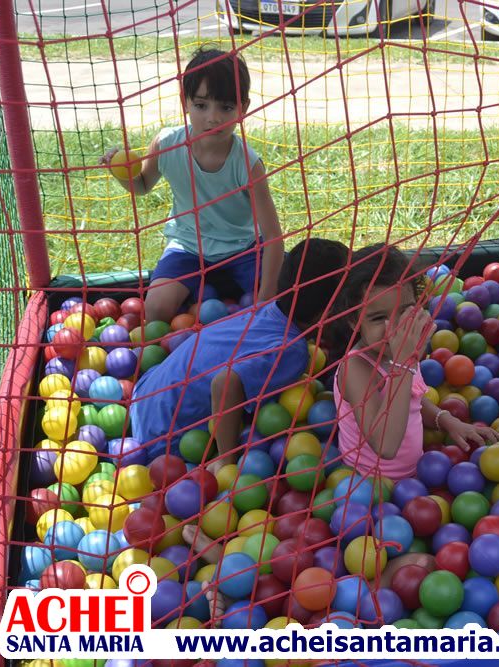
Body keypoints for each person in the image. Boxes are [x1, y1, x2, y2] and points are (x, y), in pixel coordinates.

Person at [100, 47, 283, 323]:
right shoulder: (166, 144)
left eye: (226, 107)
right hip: (188, 246)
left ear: (243, 108)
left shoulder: (247, 163)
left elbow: (273, 236)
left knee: (285, 299)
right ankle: (200, 292)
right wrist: (121, 173)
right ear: (185, 102)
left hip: (244, 249)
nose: (213, 118)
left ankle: (213, 292)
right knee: (155, 311)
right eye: (201, 105)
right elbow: (142, 185)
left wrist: (265, 300)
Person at [129, 238, 349, 466]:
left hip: (143, 397)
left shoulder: (267, 308)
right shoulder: (292, 351)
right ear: (329, 311)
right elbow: (225, 383)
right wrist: (227, 460)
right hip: (164, 441)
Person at [333, 244, 499, 482]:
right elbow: (385, 446)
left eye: (404, 312)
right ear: (354, 321)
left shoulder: (403, 351)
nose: (394, 328)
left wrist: (447, 421)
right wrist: (404, 363)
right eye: (378, 318)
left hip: (416, 478)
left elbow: (411, 399)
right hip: (368, 485)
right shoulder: (357, 368)